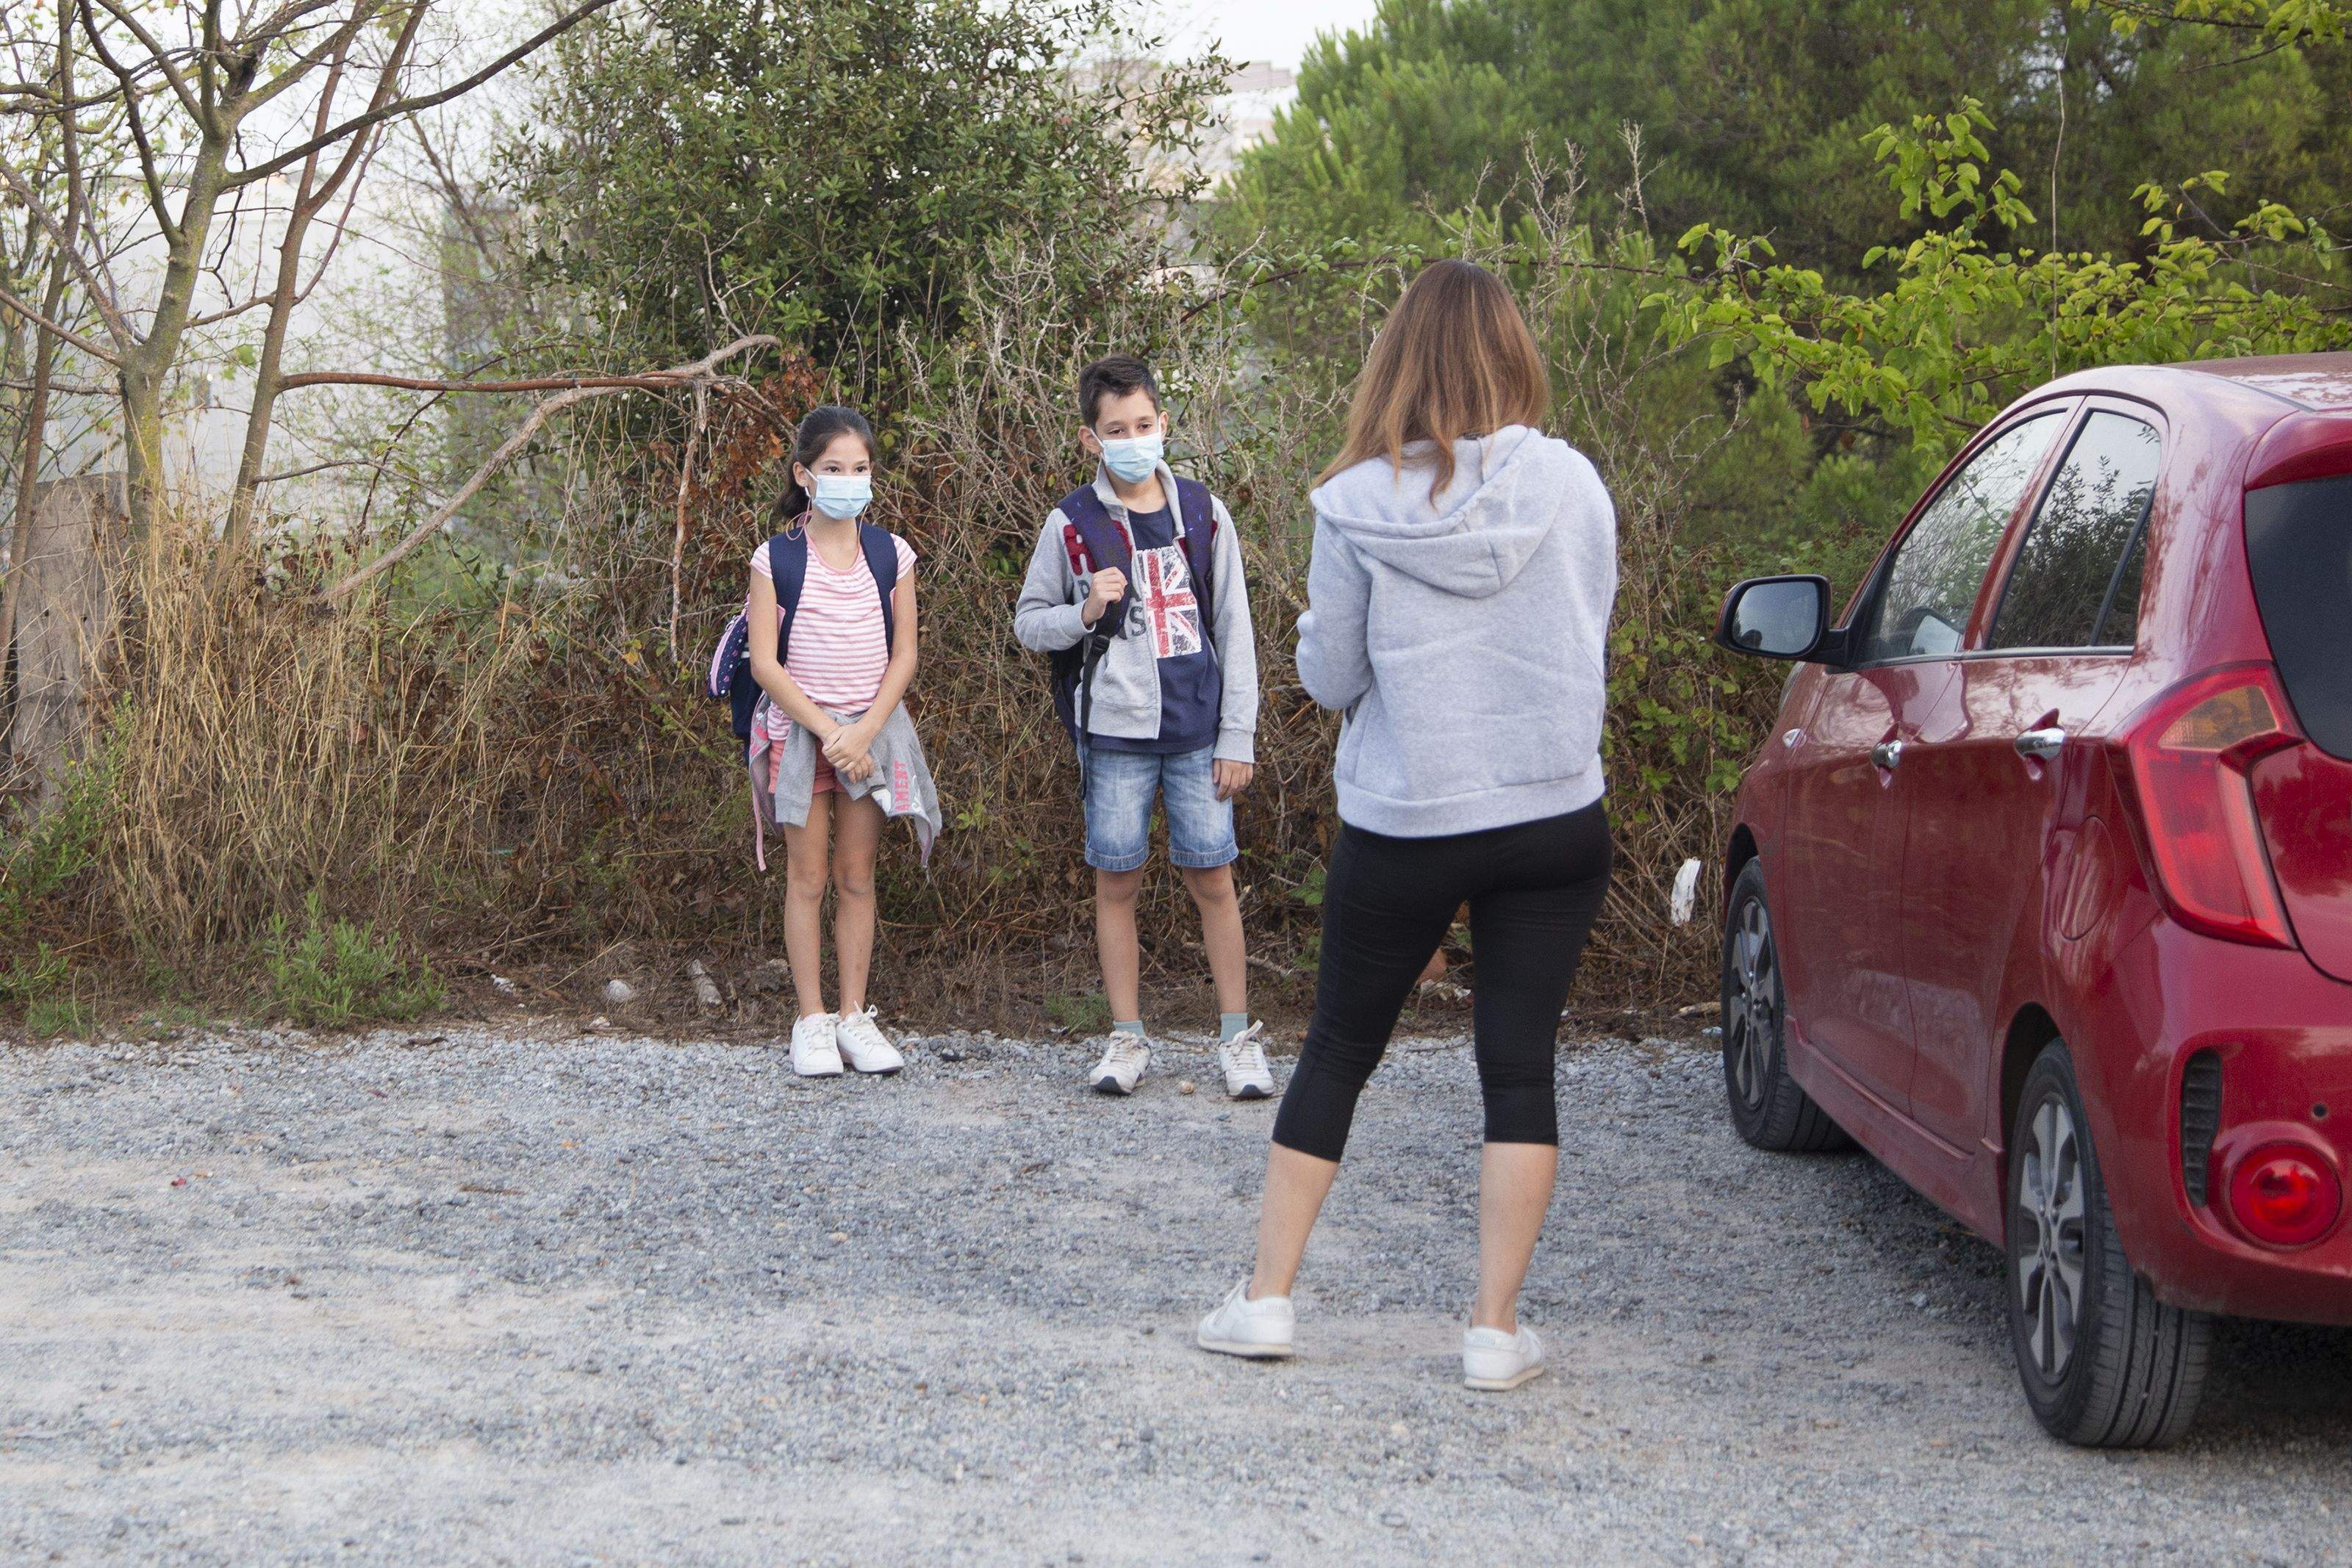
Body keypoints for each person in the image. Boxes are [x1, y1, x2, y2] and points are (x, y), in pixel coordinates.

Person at [1194, 260, 1618, 1392]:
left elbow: (1332, 678)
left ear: (1395, 364)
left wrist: (1308, 635)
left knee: (1340, 1045)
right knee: (1519, 1063)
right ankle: (1492, 1329)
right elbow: (1589, 633)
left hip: (1409, 813)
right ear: (1511, 350)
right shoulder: (1575, 485)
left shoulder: (1354, 503)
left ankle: (1268, 1299)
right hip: (1552, 806)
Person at [1013, 355, 1270, 1099]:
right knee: (1115, 880)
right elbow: (1030, 623)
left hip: (1197, 730)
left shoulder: (1202, 512)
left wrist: (1237, 737)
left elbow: (1237, 630)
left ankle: (1236, 1037)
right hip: (1114, 736)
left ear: (1164, 424)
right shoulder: (1070, 524)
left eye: (1144, 424)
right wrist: (1084, 610)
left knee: (1212, 878)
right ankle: (1126, 1037)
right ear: (1091, 439)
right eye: (1115, 429)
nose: (1133, 439)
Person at [745, 404, 936, 1079]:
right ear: (804, 475)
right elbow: (766, 662)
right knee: (808, 878)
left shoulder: (892, 554)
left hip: (872, 734)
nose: (849, 480)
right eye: (833, 469)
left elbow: (905, 652)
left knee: (857, 878)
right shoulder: (776, 558)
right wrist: (830, 734)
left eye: (860, 469)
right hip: (804, 739)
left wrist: (866, 732)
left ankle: (855, 1015)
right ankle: (813, 1020)